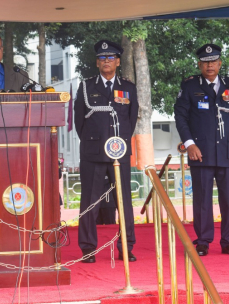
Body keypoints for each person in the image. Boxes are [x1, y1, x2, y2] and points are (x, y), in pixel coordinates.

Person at [174, 44, 229, 256]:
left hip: (227, 152)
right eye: (205, 62)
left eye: (213, 61)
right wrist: (189, 144)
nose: (210, 65)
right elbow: (181, 117)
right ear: (199, 64)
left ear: (220, 63)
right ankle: (203, 241)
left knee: (228, 200)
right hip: (201, 152)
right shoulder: (189, 87)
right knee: (202, 200)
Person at [74, 40, 139, 263]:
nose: (106, 61)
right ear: (97, 62)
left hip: (119, 151)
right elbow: (79, 122)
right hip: (92, 152)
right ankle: (88, 248)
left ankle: (126, 246)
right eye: (102, 58)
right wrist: (95, 141)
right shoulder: (86, 86)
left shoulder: (128, 87)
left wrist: (119, 143)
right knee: (90, 202)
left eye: (111, 58)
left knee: (124, 202)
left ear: (118, 61)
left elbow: (131, 120)